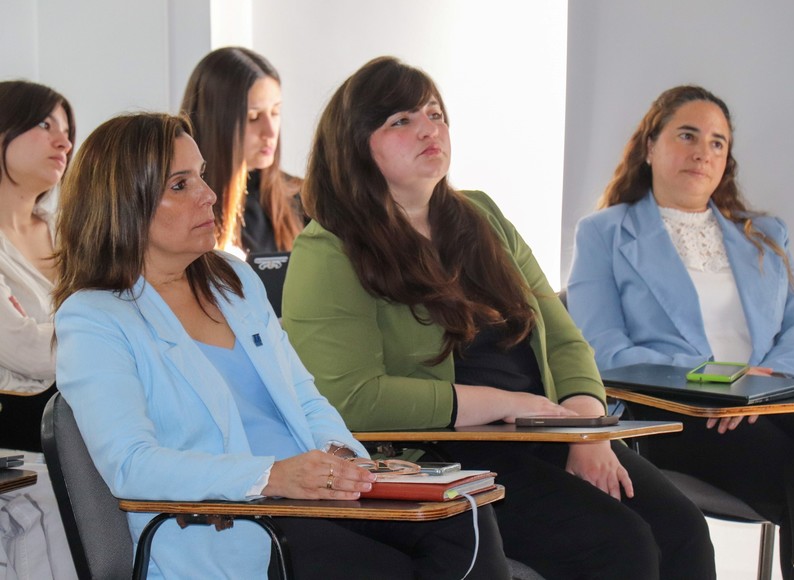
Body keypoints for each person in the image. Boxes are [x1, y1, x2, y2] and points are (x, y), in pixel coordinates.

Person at [282, 56, 715, 580]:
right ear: (353, 144)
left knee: (683, 531)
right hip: (443, 452)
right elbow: (350, 399)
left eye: (435, 114)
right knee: (618, 545)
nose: (428, 129)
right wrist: (507, 404)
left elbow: (562, 337)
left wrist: (587, 429)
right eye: (401, 120)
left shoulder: (480, 214)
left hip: (545, 430)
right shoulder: (329, 248)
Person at [52, 112, 509, 580]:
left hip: (313, 499)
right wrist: (272, 476)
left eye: (202, 176)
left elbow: (305, 397)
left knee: (465, 517)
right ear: (123, 204)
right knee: (385, 566)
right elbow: (132, 464)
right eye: (180, 185)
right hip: (233, 522)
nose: (209, 194)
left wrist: (342, 457)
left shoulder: (234, 282)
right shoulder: (94, 319)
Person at [567, 85, 794, 580]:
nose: (702, 152)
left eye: (717, 143)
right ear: (649, 146)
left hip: (767, 400)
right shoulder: (604, 232)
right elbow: (603, 350)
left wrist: (760, 387)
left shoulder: (764, 233)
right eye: (688, 135)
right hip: (674, 411)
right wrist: (717, 385)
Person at [0, 79, 76, 579]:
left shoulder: (66, 230)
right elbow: (27, 352)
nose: (64, 142)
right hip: (20, 448)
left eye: (68, 131)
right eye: (45, 125)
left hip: (81, 436)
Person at [180, 46, 306, 255]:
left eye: (275, 112)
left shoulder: (301, 198)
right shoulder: (182, 206)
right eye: (253, 117)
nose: (270, 131)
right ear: (215, 122)